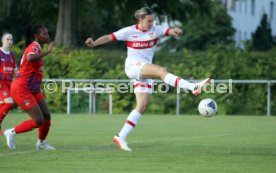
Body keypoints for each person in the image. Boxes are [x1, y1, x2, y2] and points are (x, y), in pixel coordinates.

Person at [85, 7, 210, 151]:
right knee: (162, 71)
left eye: (153, 20)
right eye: (149, 21)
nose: (151, 23)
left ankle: (121, 136)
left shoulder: (155, 30)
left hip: (144, 69)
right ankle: (192, 87)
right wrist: (94, 44)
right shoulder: (129, 31)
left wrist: (177, 31)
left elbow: (169, 31)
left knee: (142, 106)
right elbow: (108, 37)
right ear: (140, 20)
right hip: (133, 66)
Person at [4, 24, 56, 150]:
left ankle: (41, 142)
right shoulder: (34, 46)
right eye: (44, 34)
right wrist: (48, 51)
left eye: (47, 33)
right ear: (37, 36)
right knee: (39, 120)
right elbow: (30, 57)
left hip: (33, 88)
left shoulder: (37, 47)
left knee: (47, 116)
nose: (47, 36)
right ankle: (11, 132)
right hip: (22, 87)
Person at [0, 33, 17, 135]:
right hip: (1, 82)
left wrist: (20, 80)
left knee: (3, 104)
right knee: (10, 103)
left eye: (11, 39)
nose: (10, 41)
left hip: (9, 83)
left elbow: (15, 71)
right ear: (3, 40)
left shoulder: (11, 55)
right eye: (7, 39)